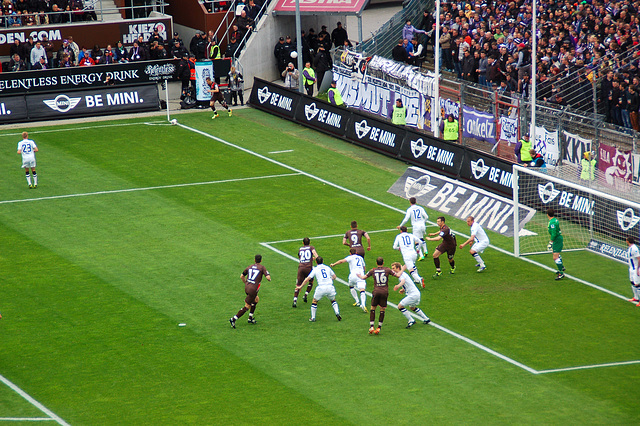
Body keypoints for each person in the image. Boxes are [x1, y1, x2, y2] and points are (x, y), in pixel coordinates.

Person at [358, 257, 402, 334]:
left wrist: (359, 275)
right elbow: (397, 275)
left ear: (376, 263)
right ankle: (379, 327)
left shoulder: (373, 270)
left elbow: (363, 277)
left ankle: (371, 326)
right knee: (382, 309)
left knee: (373, 308)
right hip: (384, 292)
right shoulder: (387, 270)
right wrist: (403, 269)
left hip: (376, 291)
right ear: (383, 263)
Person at [229, 254, 271, 328]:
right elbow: (268, 277)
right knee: (247, 306)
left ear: (254, 260)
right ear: (261, 260)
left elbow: (242, 276)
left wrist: (246, 283)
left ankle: (250, 318)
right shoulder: (262, 267)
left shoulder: (250, 266)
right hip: (253, 289)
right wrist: (269, 278)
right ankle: (233, 319)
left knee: (256, 299)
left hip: (247, 287)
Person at [300, 257, 341, 322]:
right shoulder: (327, 268)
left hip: (321, 287)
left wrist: (300, 286)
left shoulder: (315, 269)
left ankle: (313, 318)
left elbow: (307, 279)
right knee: (333, 300)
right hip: (330, 286)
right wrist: (329, 280)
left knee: (314, 301)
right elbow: (334, 277)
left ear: (316, 262)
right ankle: (337, 313)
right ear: (323, 261)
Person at [391, 262, 431, 328]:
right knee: (412, 308)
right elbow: (408, 283)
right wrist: (403, 289)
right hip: (416, 293)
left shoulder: (401, 275)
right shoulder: (404, 274)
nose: (392, 270)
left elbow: (403, 281)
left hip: (413, 295)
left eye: (393, 268)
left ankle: (411, 320)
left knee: (400, 306)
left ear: (398, 268)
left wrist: (398, 286)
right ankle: (426, 319)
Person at [331, 247, 367, 312]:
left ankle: (357, 301)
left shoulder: (350, 257)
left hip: (353, 275)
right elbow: (364, 268)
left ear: (350, 253)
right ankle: (363, 305)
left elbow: (341, 261)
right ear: (356, 252)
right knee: (362, 290)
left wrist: (334, 264)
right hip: (361, 275)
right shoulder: (361, 258)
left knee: (351, 286)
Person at [292, 237, 318, 308]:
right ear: (309, 242)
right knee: (311, 282)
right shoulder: (311, 247)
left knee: (298, 285)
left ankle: (294, 300)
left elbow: (300, 258)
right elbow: (316, 255)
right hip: (309, 268)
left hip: (301, 268)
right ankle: (305, 295)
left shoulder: (300, 249)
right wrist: (313, 259)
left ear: (303, 243)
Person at [547, 208, 565, 280]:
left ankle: (561, 273)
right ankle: (562, 267)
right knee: (555, 253)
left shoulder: (552, 223)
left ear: (547, 214)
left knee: (555, 257)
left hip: (557, 240)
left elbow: (554, 233)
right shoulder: (555, 220)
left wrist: (551, 242)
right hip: (558, 239)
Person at [626, 237, 640, 306]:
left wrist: (638, 269)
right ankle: (636, 297)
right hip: (631, 268)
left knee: (637, 284)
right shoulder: (630, 248)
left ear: (628, 241)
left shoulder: (634, 248)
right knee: (632, 282)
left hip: (635, 269)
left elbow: (639, 258)